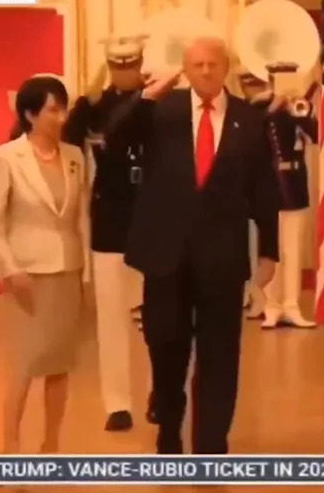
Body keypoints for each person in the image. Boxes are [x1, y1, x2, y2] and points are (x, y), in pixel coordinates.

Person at [124, 36, 280, 454]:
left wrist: (270, 250)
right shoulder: (164, 111)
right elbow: (117, 138)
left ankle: (212, 445)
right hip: (166, 257)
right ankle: (169, 432)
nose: (206, 71)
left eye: (213, 64)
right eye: (197, 65)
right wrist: (144, 98)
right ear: (186, 70)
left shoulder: (248, 120)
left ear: (225, 67)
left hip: (222, 260)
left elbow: (264, 189)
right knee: (167, 347)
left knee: (220, 356)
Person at [0, 75, 91, 453]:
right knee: (25, 364)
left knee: (59, 361)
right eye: (52, 110)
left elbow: (82, 219)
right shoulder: (6, 157)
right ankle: (11, 448)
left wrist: (85, 273)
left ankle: (51, 446)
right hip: (27, 275)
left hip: (67, 269)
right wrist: (11, 270)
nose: (60, 118)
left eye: (63, 109)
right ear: (30, 115)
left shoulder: (75, 157)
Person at [64, 35, 148, 432]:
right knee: (111, 318)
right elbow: (65, 140)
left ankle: (158, 393)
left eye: (130, 65)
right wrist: (87, 97)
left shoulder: (157, 101)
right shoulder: (94, 107)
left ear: (141, 63)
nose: (124, 72)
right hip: (110, 219)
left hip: (152, 218)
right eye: (117, 66)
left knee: (155, 317)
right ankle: (117, 402)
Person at [240, 62, 316, 329]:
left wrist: (301, 113)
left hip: (294, 186)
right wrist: (273, 109)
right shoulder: (258, 107)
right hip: (269, 188)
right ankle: (271, 306)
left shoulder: (299, 106)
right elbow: (249, 137)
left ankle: (292, 306)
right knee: (272, 251)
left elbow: (315, 135)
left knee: (293, 250)